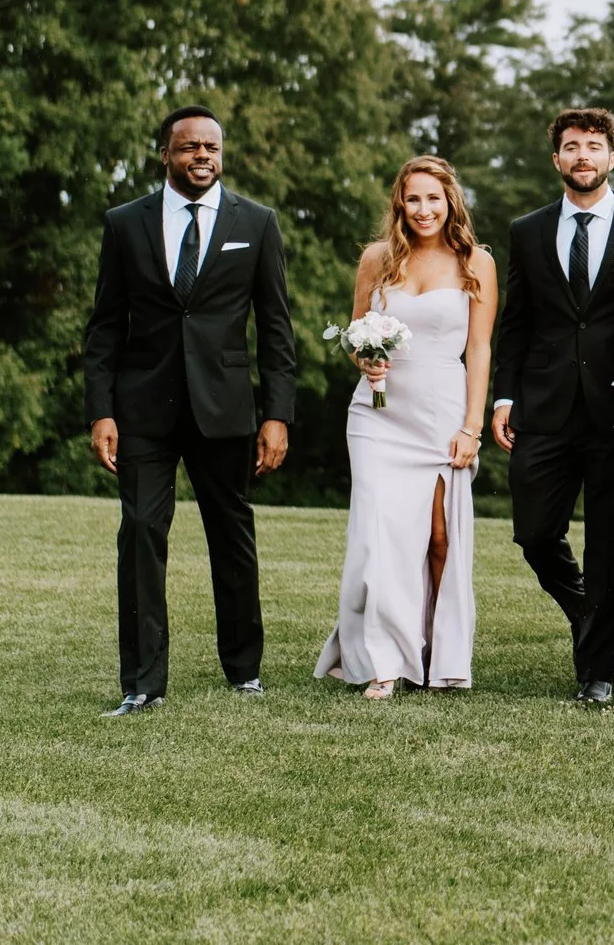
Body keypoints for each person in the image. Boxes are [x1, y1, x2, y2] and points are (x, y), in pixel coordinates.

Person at [81, 105, 296, 716]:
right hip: (142, 410)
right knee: (142, 534)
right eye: (189, 147)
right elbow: (104, 328)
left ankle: (244, 670)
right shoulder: (126, 224)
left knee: (231, 536)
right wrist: (101, 411)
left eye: (211, 148)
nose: (202, 156)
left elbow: (276, 328)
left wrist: (277, 413)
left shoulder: (256, 223)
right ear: (166, 155)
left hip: (224, 409)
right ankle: (142, 684)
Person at [316, 156, 494, 697]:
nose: (423, 209)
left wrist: (472, 426)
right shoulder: (377, 258)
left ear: (450, 202)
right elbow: (355, 334)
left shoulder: (475, 262)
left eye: (434, 199)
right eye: (413, 199)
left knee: (439, 538)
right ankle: (383, 662)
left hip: (442, 411)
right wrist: (363, 360)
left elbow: (480, 348)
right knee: (379, 535)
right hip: (377, 414)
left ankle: (436, 651)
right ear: (400, 203)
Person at [490, 108, 614, 704]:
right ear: (556, 159)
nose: (584, 155)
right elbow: (518, 321)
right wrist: (504, 395)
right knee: (533, 531)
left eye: (594, 146)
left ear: (611, 157)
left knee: (607, 540)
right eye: (572, 146)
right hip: (544, 405)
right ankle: (586, 611)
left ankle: (598, 673)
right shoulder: (528, 230)